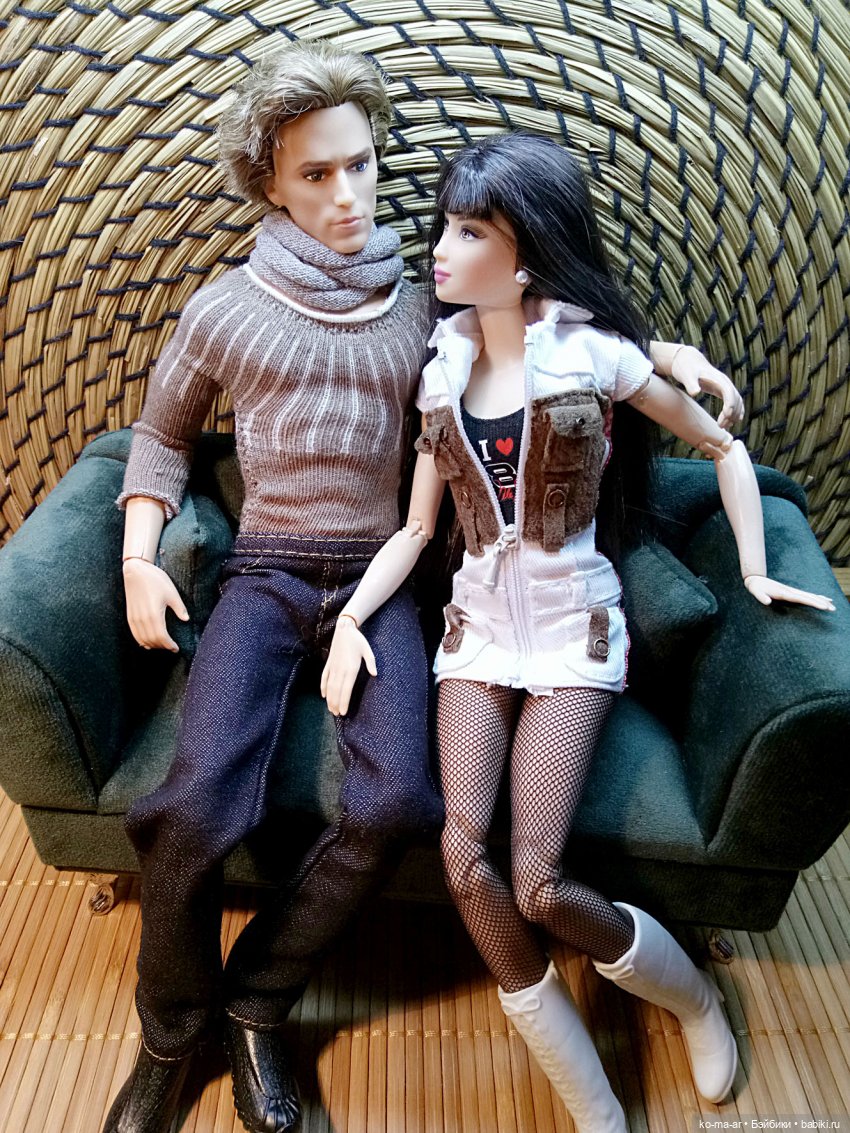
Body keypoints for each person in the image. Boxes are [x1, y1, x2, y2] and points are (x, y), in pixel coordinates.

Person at [107, 39, 744, 1133]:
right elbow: (161, 438)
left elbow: (541, 337)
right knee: (194, 805)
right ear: (269, 181)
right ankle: (171, 1030)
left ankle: (258, 1000)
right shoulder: (221, 310)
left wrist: (668, 355)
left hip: (386, 578)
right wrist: (136, 555)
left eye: (359, 164)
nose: (347, 194)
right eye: (315, 173)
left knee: (400, 801)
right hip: (264, 569)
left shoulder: (423, 314)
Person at [320, 131, 835, 1133]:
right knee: (463, 855)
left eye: (469, 232)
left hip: (571, 634)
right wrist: (349, 614)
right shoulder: (441, 370)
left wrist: (755, 565)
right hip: (477, 631)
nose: (440, 249)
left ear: (526, 258)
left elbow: (720, 444)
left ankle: (692, 996)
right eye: (445, 227)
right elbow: (418, 529)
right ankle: (587, 1093)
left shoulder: (592, 354)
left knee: (540, 881)